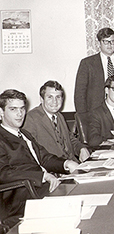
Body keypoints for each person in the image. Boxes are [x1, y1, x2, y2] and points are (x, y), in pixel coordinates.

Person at [0, 89, 78, 228]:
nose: (19, 114)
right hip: (22, 197)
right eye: (13, 109)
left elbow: (44, 158)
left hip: (43, 188)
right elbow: (3, 173)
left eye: (22, 108)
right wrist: (42, 176)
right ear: (1, 112)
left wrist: (66, 163)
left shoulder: (24, 134)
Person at [23, 81, 90, 163]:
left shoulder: (59, 116)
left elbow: (69, 139)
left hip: (72, 165)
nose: (55, 101)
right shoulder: (31, 118)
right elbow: (30, 152)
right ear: (41, 99)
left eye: (58, 97)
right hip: (53, 170)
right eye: (50, 97)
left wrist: (81, 148)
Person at [74, 27, 114, 115]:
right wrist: (83, 117)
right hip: (95, 113)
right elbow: (80, 93)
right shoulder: (87, 63)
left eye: (112, 41)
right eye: (106, 41)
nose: (109, 45)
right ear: (99, 43)